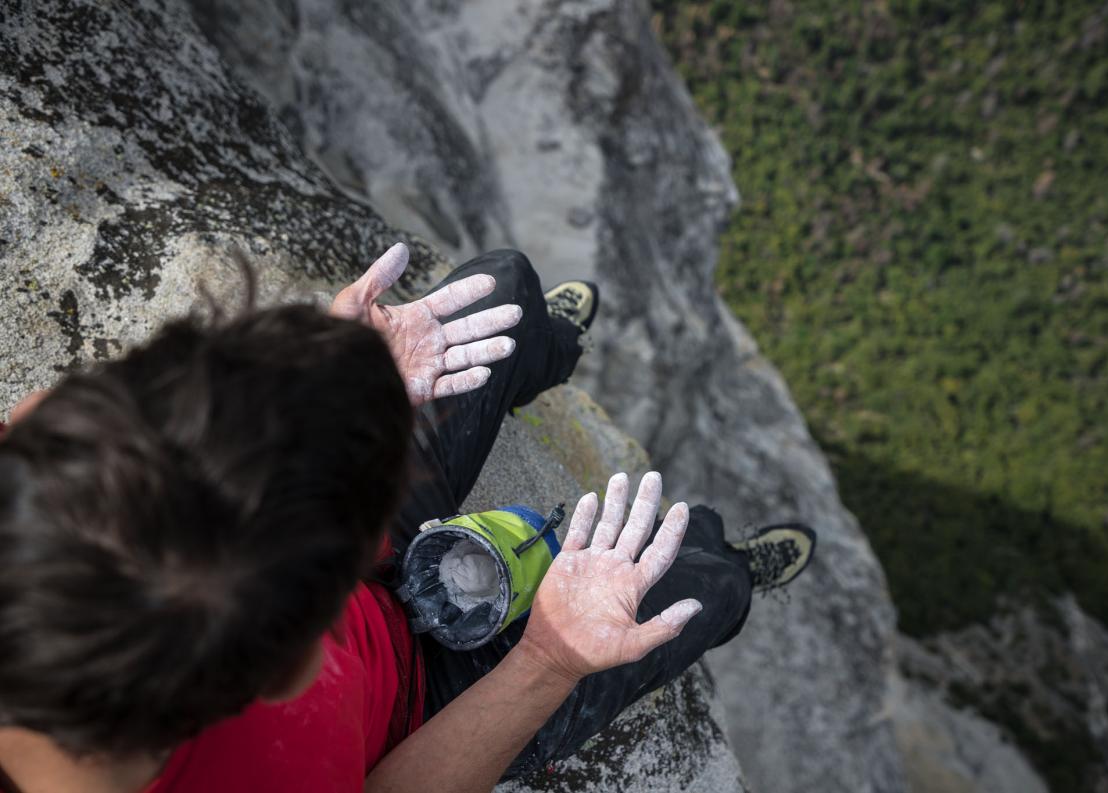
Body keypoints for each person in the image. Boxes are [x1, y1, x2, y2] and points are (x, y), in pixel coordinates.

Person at [0, 245, 815, 793]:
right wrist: (550, 659)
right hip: (414, 703)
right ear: (292, 666)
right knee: (686, 586)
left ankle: (539, 353)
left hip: (300, 587)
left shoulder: (35, 469)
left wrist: (322, 375)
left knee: (499, 296)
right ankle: (732, 569)